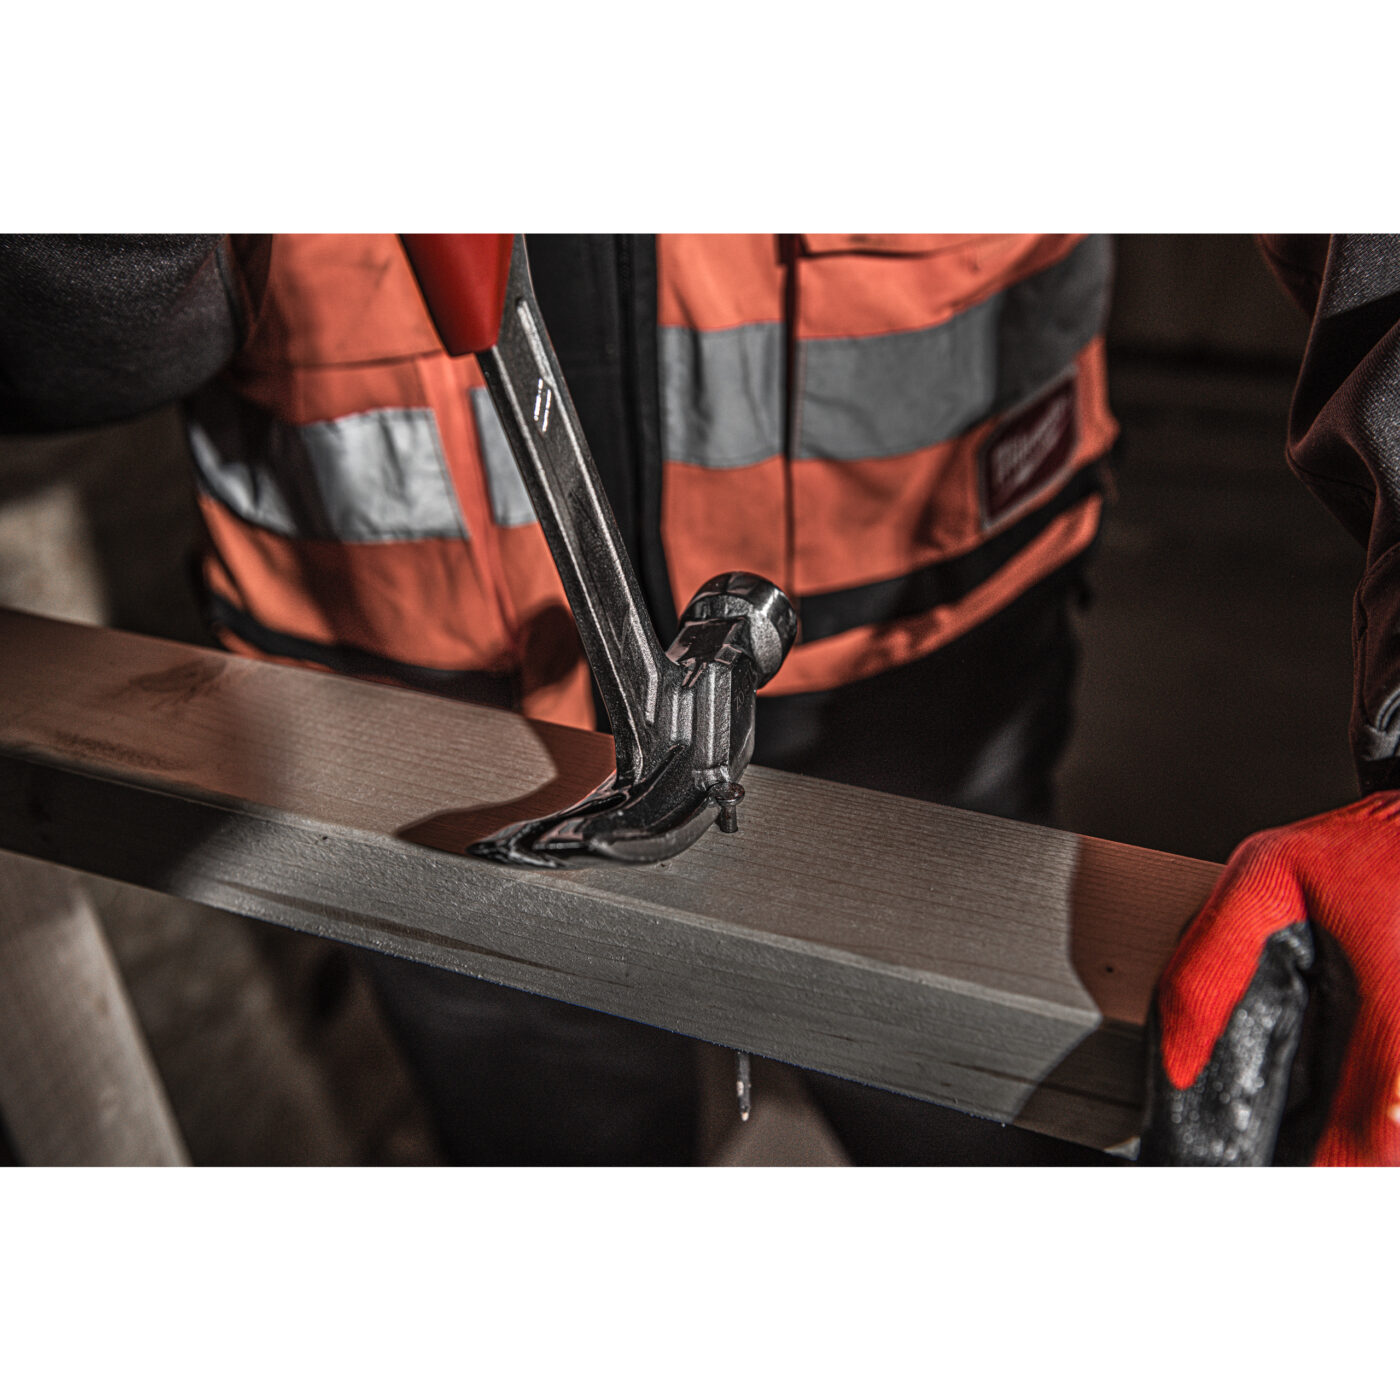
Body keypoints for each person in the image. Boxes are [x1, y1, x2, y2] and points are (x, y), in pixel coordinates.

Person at [1, 233, 1393, 1165]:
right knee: (557, 1178)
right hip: (406, 701)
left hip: (924, 643)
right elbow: (65, 353)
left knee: (974, 1131)